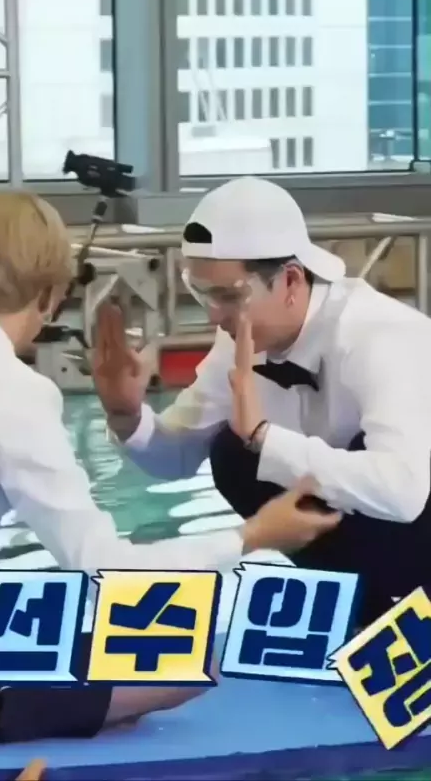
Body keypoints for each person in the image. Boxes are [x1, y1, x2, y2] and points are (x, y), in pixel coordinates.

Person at [0, 189, 340, 745]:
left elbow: (170, 455)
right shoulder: (12, 392)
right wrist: (253, 536)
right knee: (184, 658)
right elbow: (106, 570)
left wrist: (127, 414)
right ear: (51, 296)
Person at [94, 176, 431, 630]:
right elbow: (178, 456)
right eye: (201, 294)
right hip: (367, 537)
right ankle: (357, 609)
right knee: (232, 456)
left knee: (259, 449)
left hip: (419, 516)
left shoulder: (380, 336)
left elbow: (404, 492)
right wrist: (126, 414)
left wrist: (264, 436)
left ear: (290, 279)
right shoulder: (239, 338)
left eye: (228, 296)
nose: (214, 315)